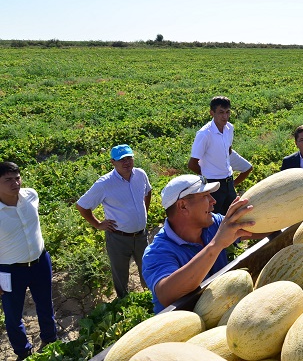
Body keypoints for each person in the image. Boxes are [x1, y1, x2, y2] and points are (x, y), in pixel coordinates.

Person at [142, 174, 264, 313]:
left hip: (220, 310)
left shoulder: (214, 223)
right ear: (183, 206)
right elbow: (167, 295)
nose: (213, 201)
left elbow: (258, 228)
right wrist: (216, 244)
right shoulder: (157, 252)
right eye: (205, 196)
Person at [76, 144, 152, 298]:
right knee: (120, 273)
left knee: (148, 268)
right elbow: (82, 205)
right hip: (118, 238)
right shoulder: (104, 184)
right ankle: (124, 303)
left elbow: (148, 191)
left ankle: (151, 297)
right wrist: (98, 224)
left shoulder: (140, 174)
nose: (126, 162)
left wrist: (144, 211)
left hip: (141, 235)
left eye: (129, 158)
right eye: (121, 159)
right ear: (113, 162)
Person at [0, 162, 58, 360]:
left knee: (45, 305)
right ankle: (23, 352)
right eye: (8, 180)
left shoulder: (31, 195)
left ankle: (50, 340)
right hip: (10, 270)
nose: (15, 183)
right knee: (13, 315)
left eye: (17, 178)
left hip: (40, 262)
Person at [187, 96, 252, 215]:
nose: (225, 116)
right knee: (215, 218)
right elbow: (192, 164)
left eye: (227, 112)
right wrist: (208, 174)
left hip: (228, 181)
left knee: (232, 215)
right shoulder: (205, 134)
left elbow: (228, 150)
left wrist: (230, 181)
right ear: (212, 113)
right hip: (213, 185)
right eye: (221, 112)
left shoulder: (229, 128)